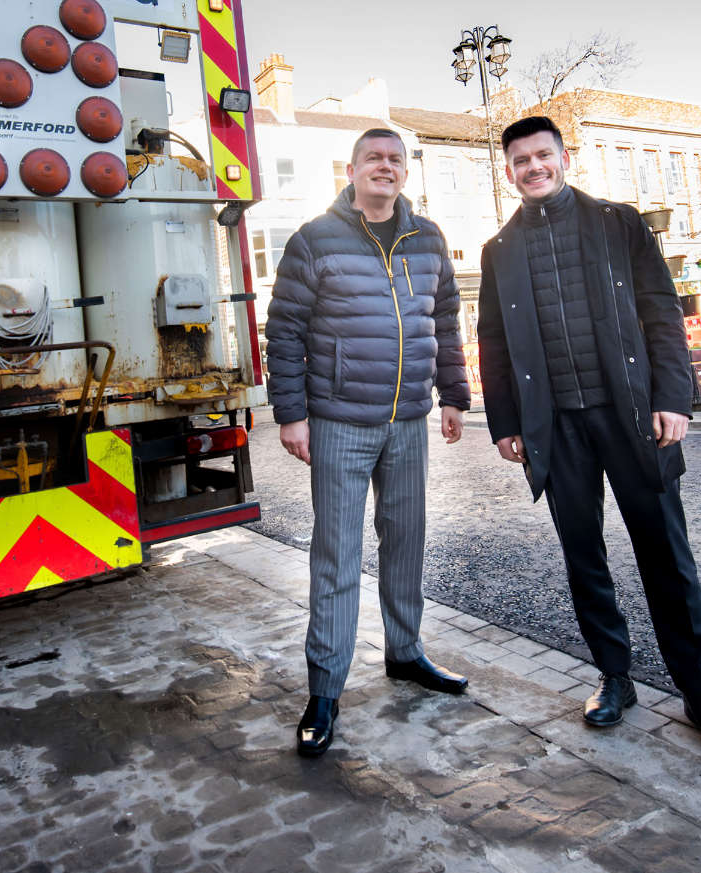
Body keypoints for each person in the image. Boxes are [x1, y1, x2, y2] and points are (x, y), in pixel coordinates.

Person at [476, 116, 701, 757]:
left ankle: (700, 692)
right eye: (521, 160)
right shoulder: (498, 250)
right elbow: (492, 343)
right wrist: (506, 423)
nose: (534, 167)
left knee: (665, 555)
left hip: (632, 418)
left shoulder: (617, 223)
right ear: (508, 171)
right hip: (556, 426)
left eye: (543, 155)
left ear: (563, 158)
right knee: (583, 555)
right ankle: (615, 677)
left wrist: (673, 400)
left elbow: (662, 310)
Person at [266, 128, 471, 758]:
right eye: (373, 159)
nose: (385, 168)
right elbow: (285, 330)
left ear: (405, 173)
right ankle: (324, 689)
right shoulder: (314, 239)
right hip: (337, 423)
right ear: (351, 169)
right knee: (337, 554)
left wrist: (455, 394)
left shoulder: (428, 238)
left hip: (408, 420)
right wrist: (292, 414)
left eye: (395, 160)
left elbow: (443, 321)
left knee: (406, 540)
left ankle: (405, 654)